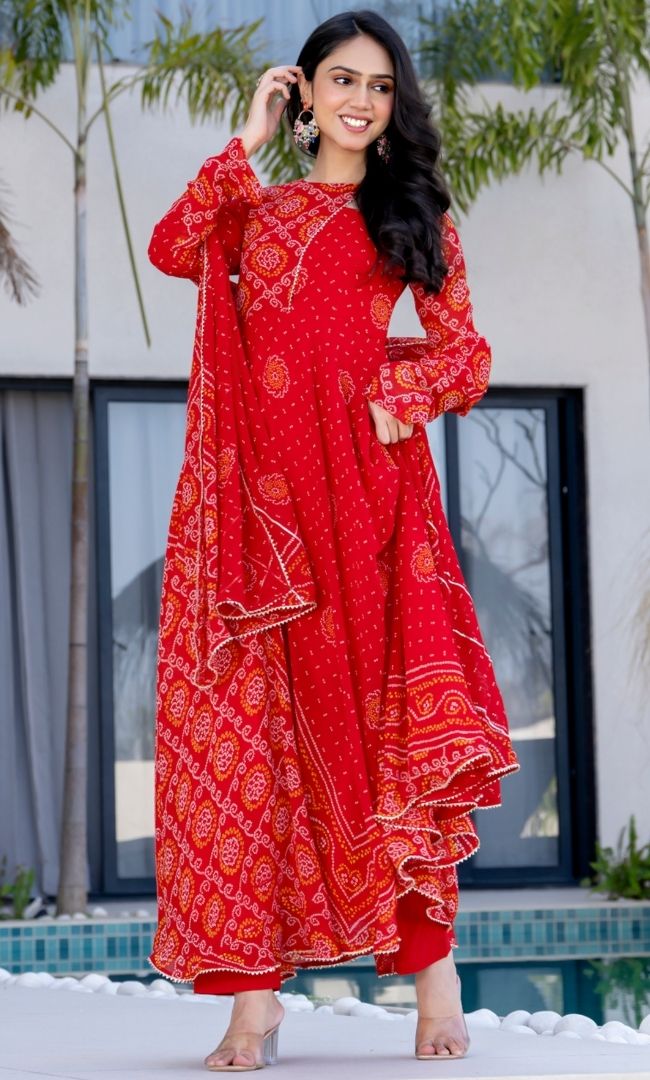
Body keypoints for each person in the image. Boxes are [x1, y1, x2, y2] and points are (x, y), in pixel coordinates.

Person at [146, 8, 520, 1071]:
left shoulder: (409, 218)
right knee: (261, 744)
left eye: (380, 86)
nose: (361, 100)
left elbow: (463, 352)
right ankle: (255, 1005)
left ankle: (434, 982)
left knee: (382, 737)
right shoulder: (251, 209)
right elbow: (171, 246)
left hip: (365, 502)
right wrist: (248, 138)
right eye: (341, 80)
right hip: (259, 514)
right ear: (303, 89)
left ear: (395, 106)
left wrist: (400, 399)